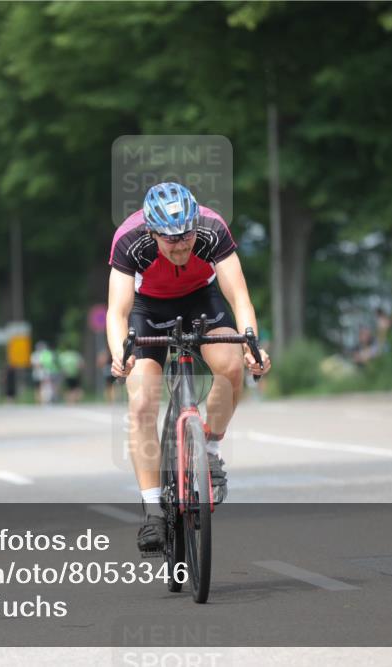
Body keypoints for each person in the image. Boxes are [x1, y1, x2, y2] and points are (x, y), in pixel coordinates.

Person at [107, 182, 272, 554]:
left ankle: (209, 452)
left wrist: (252, 345)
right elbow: (117, 311)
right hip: (147, 310)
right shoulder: (129, 239)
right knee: (142, 401)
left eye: (186, 236)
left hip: (201, 300)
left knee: (230, 368)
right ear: (152, 232)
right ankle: (152, 510)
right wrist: (121, 354)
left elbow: (239, 296)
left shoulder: (213, 230)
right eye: (170, 240)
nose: (181, 246)